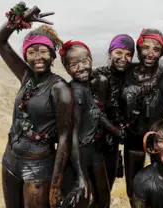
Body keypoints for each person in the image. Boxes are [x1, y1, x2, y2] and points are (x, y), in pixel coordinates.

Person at [0, 2, 87, 208]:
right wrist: (19, 20)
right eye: (32, 52)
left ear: (53, 55)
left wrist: (55, 185)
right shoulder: (25, 76)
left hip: (38, 166)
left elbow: (64, 137)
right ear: (25, 55)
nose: (38, 57)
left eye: (43, 51)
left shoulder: (59, 88)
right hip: (10, 160)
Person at [59, 40, 126, 208]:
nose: (81, 67)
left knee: (103, 200)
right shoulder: (74, 93)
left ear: (91, 60)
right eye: (74, 64)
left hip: (95, 152)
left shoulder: (90, 85)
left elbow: (97, 114)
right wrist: (80, 175)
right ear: (66, 68)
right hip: (79, 154)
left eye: (84, 61)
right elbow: (72, 135)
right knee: (81, 200)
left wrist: (117, 132)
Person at [121, 28, 163, 206]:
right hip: (133, 136)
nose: (150, 53)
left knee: (161, 184)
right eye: (146, 48)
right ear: (139, 48)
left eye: (156, 49)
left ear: (161, 52)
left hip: (158, 136)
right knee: (133, 188)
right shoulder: (127, 72)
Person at [89, 34, 136, 190]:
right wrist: (116, 130)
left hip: (113, 145)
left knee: (106, 189)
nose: (123, 58)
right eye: (118, 52)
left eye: (128, 54)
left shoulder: (130, 76)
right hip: (94, 143)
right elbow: (94, 111)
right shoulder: (98, 77)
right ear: (110, 53)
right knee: (94, 191)